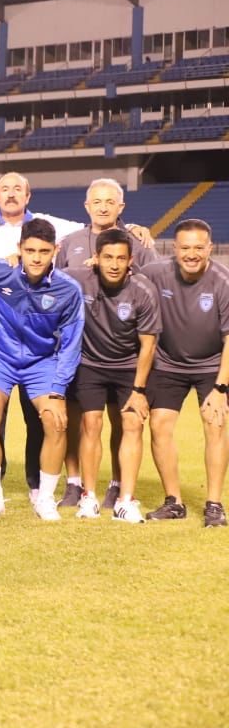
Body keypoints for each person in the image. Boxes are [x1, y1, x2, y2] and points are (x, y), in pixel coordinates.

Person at [0, 218, 84, 520]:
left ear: (55, 250)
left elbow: (71, 343)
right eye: (30, 250)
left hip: (40, 362)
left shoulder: (68, 290)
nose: (36, 257)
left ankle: (44, 498)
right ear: (19, 249)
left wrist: (58, 390)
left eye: (44, 251)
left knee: (57, 422)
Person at [61, 229, 159, 523]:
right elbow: (44, 274)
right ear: (96, 258)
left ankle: (125, 501)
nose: (114, 264)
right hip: (91, 364)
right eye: (108, 258)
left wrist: (139, 391)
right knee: (91, 423)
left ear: (131, 260)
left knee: (131, 422)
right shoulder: (79, 279)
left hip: (130, 366)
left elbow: (148, 345)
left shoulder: (144, 290)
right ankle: (88, 497)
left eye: (120, 258)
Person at [139, 219, 229, 527]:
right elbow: (121, 271)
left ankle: (215, 505)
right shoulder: (155, 273)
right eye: (185, 247)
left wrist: (221, 388)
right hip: (168, 364)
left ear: (210, 248)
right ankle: (173, 502)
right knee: (159, 425)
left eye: (198, 248)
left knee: (215, 423)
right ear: (174, 249)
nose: (191, 254)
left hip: (212, 365)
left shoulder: (223, 281)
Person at [54, 178, 159, 271]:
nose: (103, 209)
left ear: (120, 207)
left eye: (110, 202)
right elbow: (58, 283)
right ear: (87, 206)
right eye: (97, 202)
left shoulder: (141, 243)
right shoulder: (70, 242)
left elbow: (155, 283)